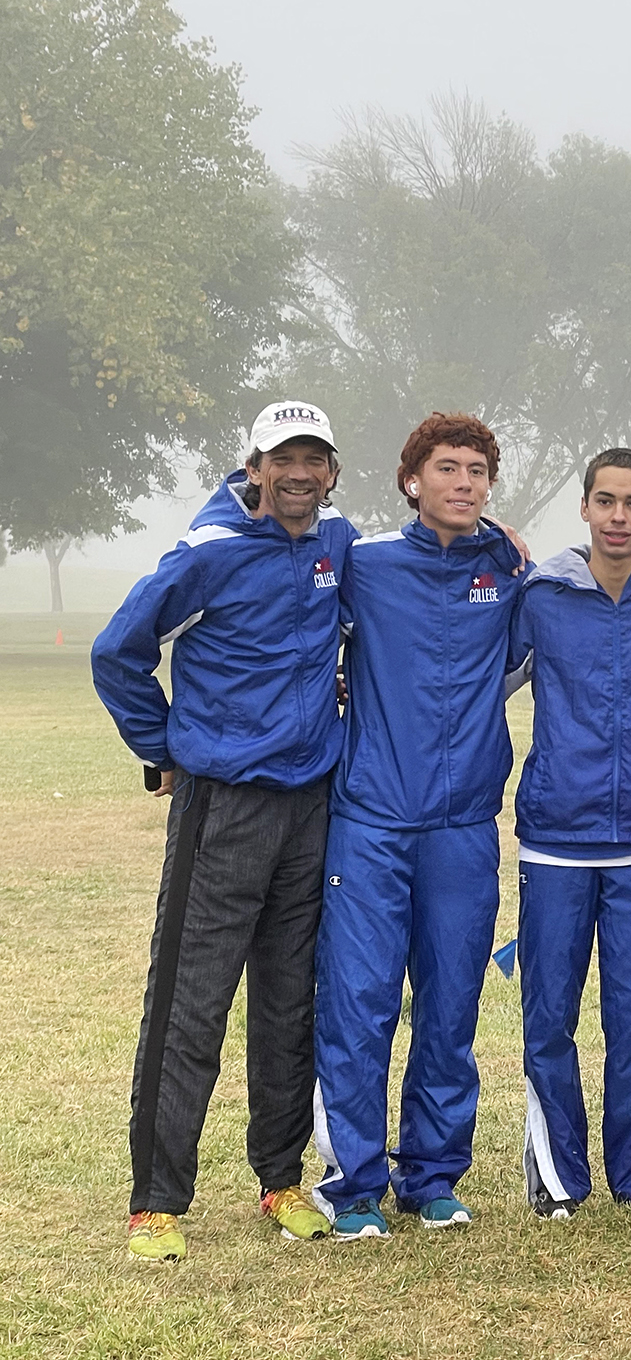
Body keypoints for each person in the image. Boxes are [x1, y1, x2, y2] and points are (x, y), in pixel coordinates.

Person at [93, 401, 355, 1260]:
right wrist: (162, 746)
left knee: (289, 1002)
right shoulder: (208, 553)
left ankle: (280, 1181)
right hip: (224, 806)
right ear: (253, 465)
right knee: (189, 1006)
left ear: (331, 473)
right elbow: (117, 651)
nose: (298, 474)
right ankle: (158, 1202)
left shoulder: (335, 545)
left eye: (314, 460)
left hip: (310, 806)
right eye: (283, 458)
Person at [310, 413, 530, 1241]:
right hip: (370, 820)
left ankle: (432, 1177)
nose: (464, 483)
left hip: (464, 826)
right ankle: (353, 1184)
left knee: (450, 1008)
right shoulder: (363, 564)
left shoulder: (507, 571)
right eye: (447, 468)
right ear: (412, 480)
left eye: (478, 470)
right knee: (361, 1006)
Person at [514, 448, 631, 1216]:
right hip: (554, 839)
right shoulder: (541, 597)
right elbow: (472, 671)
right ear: (584, 510)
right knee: (548, 1016)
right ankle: (557, 1181)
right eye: (605, 501)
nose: (618, 516)